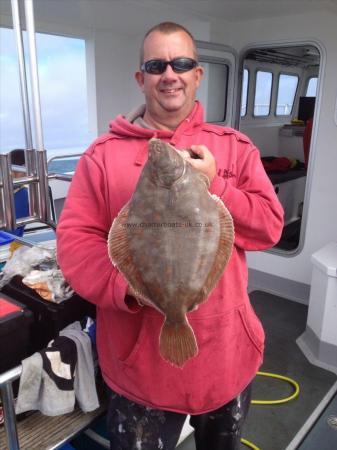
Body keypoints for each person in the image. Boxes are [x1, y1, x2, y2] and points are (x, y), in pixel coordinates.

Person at [57, 22, 284, 450]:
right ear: (141, 79)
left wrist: (217, 184)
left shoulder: (235, 147)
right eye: (156, 64)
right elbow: (76, 240)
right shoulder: (101, 157)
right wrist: (130, 287)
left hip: (226, 356)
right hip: (141, 366)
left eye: (181, 63)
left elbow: (270, 226)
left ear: (197, 74)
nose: (169, 74)